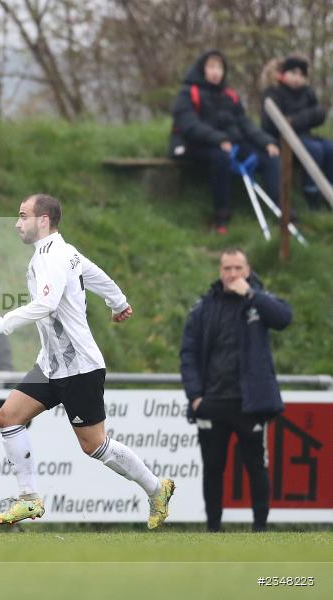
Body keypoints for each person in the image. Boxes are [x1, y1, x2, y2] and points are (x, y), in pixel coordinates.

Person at [0, 194, 174, 529]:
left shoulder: (52, 255)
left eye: (23, 216)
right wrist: (118, 302)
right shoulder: (63, 252)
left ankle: (157, 489)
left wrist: (4, 323)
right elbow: (93, 272)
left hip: (80, 367)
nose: (17, 223)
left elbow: (48, 303)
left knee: (95, 445)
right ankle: (29, 499)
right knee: (8, 416)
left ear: (43, 220)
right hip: (51, 365)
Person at [180, 248, 291, 532]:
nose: (232, 274)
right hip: (212, 401)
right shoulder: (204, 306)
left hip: (249, 403)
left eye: (238, 268)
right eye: (227, 269)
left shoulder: (259, 301)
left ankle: (260, 529)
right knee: (213, 469)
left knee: (256, 467)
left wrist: (251, 293)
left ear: (248, 270)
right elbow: (188, 353)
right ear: (220, 272)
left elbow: (283, 318)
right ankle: (213, 529)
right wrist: (195, 397)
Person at [169, 49, 281, 233]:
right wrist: (219, 139)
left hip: (232, 143)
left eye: (220, 67)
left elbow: (244, 123)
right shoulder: (188, 93)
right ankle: (221, 216)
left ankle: (280, 207)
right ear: (202, 69)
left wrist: (267, 142)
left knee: (269, 157)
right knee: (221, 158)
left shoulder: (230, 95)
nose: (216, 72)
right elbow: (189, 125)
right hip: (197, 146)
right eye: (211, 66)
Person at [261, 54, 332, 211]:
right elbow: (273, 123)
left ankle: (329, 191)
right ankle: (311, 194)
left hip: (305, 135)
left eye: (301, 75)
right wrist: (303, 119)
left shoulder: (307, 92)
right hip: (282, 139)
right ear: (283, 73)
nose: (297, 78)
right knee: (315, 150)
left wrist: (295, 120)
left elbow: (319, 114)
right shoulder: (273, 92)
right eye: (293, 73)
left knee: (330, 148)